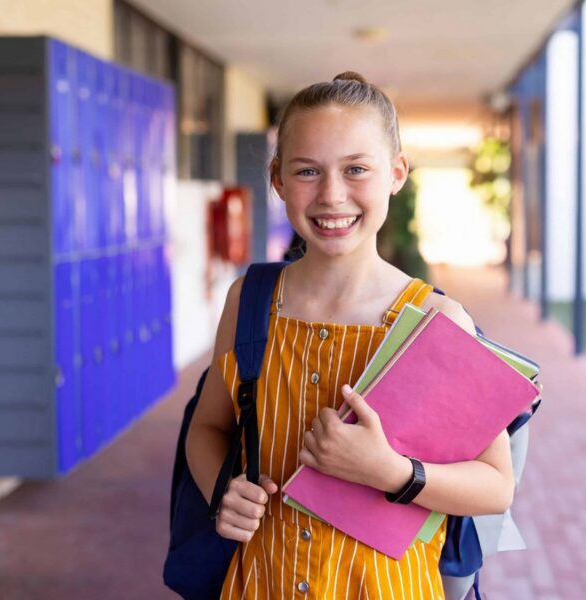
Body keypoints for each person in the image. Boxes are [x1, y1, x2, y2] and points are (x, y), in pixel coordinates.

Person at [185, 71, 515, 599]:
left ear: (396, 172)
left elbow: (496, 485)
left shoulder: (435, 320)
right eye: (307, 171)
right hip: (259, 582)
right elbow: (206, 429)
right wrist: (223, 491)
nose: (332, 195)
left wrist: (391, 472)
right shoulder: (248, 301)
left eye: (356, 169)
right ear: (278, 179)